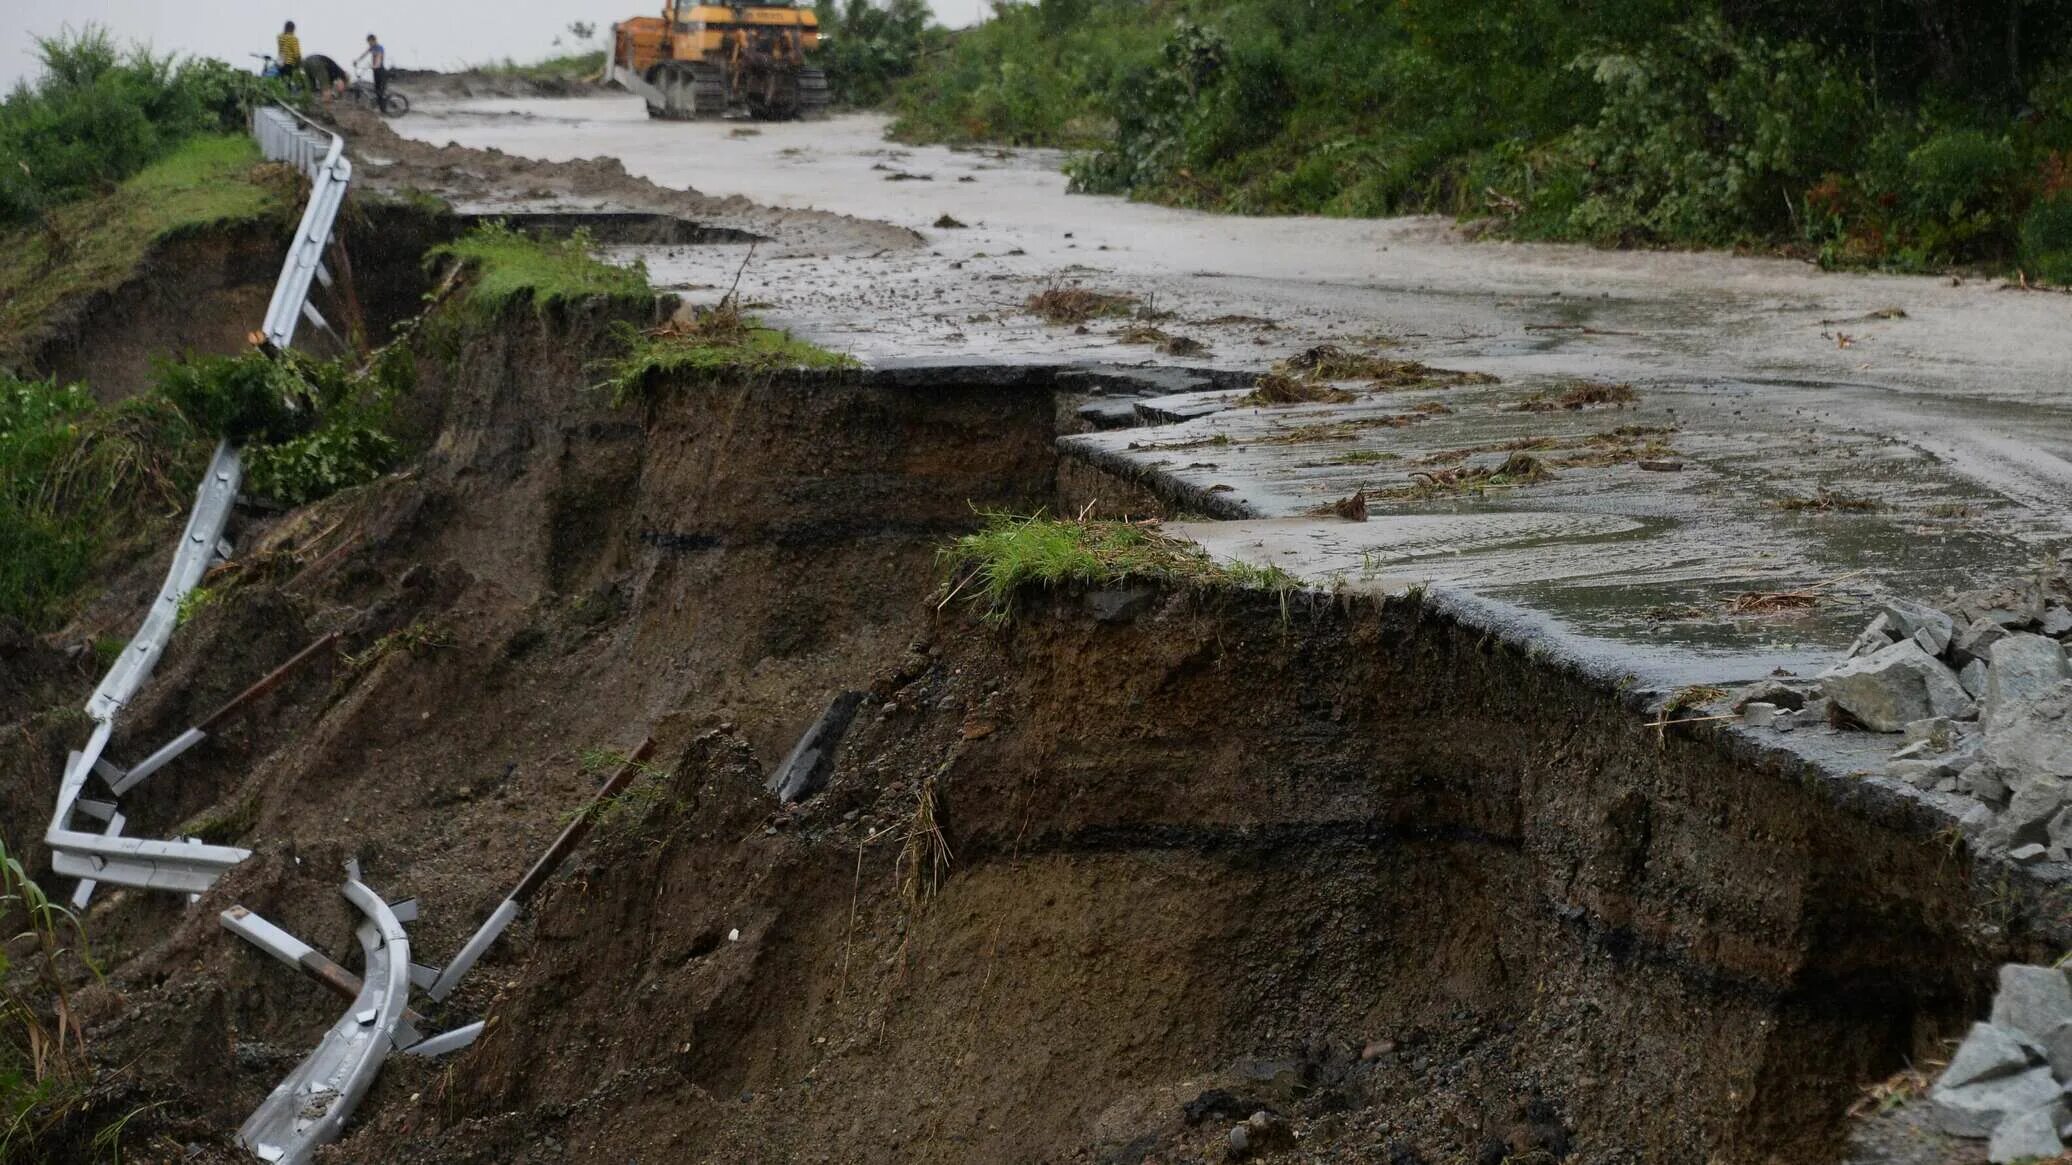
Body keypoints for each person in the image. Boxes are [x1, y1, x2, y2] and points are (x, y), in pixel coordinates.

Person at [354, 34, 388, 104]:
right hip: (375, 70)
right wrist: (357, 61)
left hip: (380, 70)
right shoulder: (372, 48)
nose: (369, 44)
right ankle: (379, 104)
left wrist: (375, 65)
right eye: (368, 42)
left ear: (374, 40)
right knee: (376, 89)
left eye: (370, 42)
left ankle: (384, 106)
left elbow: (379, 57)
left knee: (380, 91)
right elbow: (364, 55)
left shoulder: (379, 48)